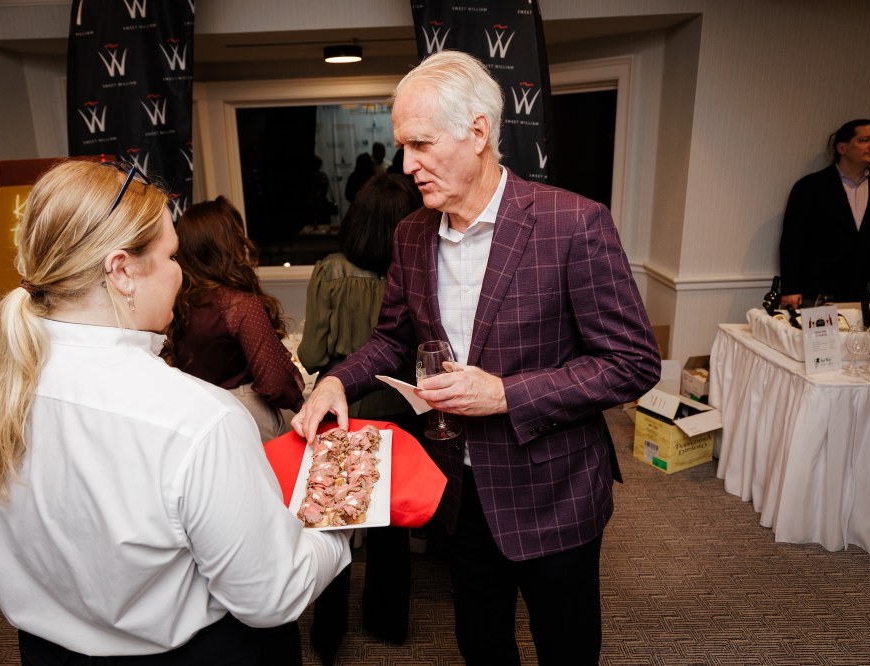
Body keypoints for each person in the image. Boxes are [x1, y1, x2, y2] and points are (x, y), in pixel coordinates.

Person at [291, 51, 660, 665]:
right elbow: (392, 338)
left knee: (567, 649)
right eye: (402, 147)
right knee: (481, 645)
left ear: (479, 131)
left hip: (555, 491)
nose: (406, 166)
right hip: (459, 492)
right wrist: (335, 382)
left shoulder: (573, 223)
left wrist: (506, 394)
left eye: (421, 144)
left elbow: (632, 362)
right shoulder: (411, 233)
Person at [0, 160, 350, 664]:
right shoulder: (200, 421)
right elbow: (271, 596)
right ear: (122, 271)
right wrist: (340, 524)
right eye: (172, 255)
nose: (181, 273)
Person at [298, 173, 423, 662]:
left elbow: (312, 353)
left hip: (342, 410)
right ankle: (388, 623)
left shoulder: (331, 271)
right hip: (400, 411)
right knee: (392, 527)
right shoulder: (416, 273)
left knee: (333, 520)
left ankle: (327, 633)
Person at [166, 196, 304, 443]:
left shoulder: (176, 301)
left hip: (194, 416)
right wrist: (298, 400)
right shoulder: (238, 304)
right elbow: (274, 384)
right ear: (227, 245)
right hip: (243, 414)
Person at [779, 119, 870, 307]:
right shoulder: (810, 187)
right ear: (842, 147)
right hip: (816, 292)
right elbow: (792, 241)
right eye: (865, 140)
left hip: (867, 295)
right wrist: (790, 288)